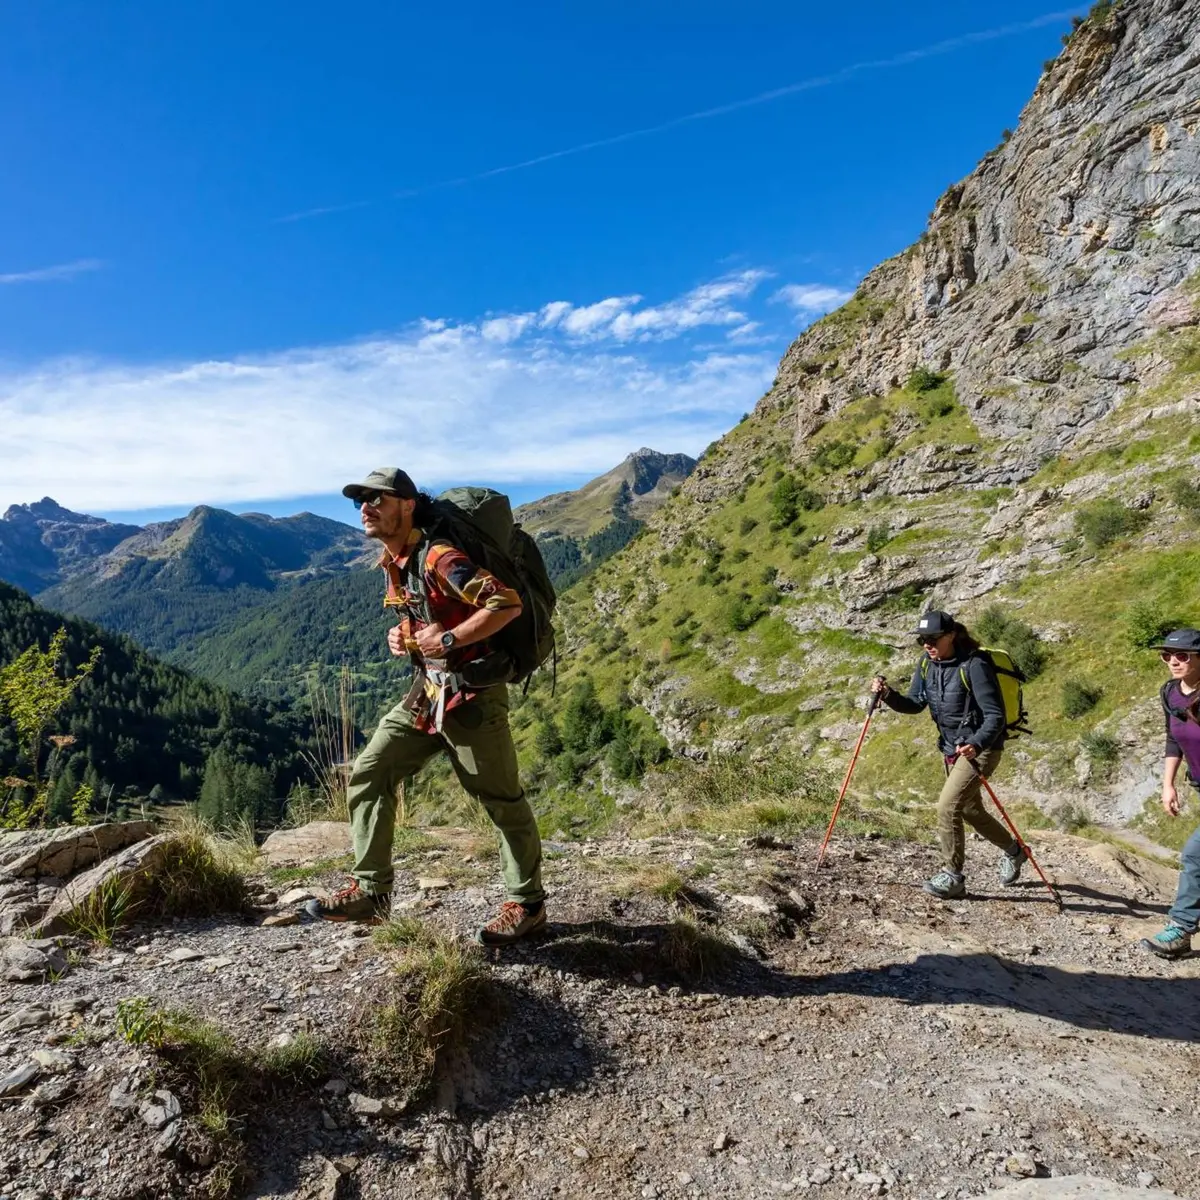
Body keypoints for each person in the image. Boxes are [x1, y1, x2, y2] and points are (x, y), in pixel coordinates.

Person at [306, 468, 546, 945]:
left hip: (471, 698)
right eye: (361, 501)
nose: (366, 507)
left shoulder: (439, 556)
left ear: (408, 504)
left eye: (378, 498)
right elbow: (428, 621)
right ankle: (371, 892)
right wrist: (407, 638)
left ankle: (528, 904)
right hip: (427, 695)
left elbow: (506, 603)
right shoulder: (398, 559)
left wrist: (451, 637)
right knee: (370, 772)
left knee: (500, 799)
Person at [870, 609, 1027, 898]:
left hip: (982, 748)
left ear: (952, 635)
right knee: (969, 809)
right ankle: (1015, 851)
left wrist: (976, 744)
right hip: (951, 748)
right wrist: (889, 695)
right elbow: (915, 703)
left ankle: (953, 876)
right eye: (922, 639)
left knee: (946, 807)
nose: (926, 644)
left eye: (933, 638)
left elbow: (996, 716)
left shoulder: (975, 665)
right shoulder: (927, 664)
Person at [1139, 628, 1200, 960]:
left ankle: (1181, 929)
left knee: (1194, 854)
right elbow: (1173, 739)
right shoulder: (1171, 694)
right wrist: (1168, 784)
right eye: (1167, 656)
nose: (1174, 661)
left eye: (1183, 656)